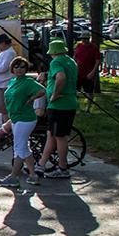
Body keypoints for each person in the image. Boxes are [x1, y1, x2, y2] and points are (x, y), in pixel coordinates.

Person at [0, 57, 46, 188]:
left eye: (22, 67)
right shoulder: (13, 81)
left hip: (25, 119)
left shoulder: (28, 82)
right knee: (23, 147)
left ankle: (13, 176)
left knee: (19, 149)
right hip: (15, 118)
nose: (19, 69)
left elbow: (43, 90)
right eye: (16, 66)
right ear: (12, 68)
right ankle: (33, 175)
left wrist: (32, 98)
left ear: (26, 69)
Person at [37, 39, 78, 178]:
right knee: (52, 135)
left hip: (59, 105)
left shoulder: (56, 62)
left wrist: (54, 95)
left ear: (53, 52)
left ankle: (62, 167)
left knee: (59, 137)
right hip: (70, 102)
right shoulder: (71, 61)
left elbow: (61, 77)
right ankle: (41, 164)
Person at [73, 34, 101, 112]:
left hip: (88, 73)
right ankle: (75, 106)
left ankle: (88, 108)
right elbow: (75, 58)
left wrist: (92, 72)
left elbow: (97, 61)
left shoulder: (94, 47)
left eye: (85, 39)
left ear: (88, 39)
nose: (83, 40)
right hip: (78, 72)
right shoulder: (78, 46)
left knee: (89, 91)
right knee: (74, 90)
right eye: (82, 39)